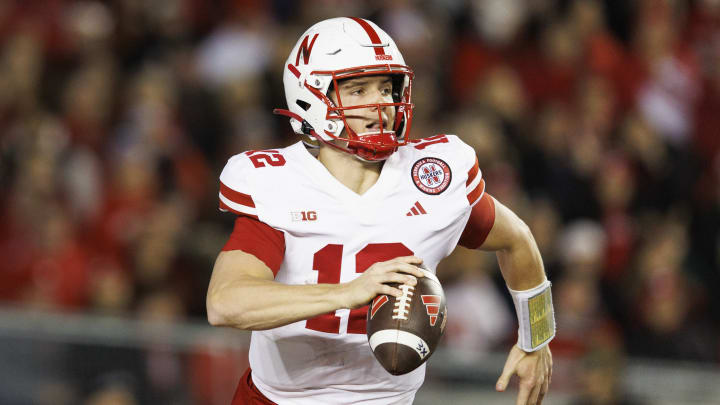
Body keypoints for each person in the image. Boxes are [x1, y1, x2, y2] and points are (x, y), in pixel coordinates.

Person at [206, 17, 554, 405]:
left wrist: (536, 338)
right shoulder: (281, 183)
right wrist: (347, 293)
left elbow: (517, 239)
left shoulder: (429, 179)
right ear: (310, 98)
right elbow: (225, 302)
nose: (382, 105)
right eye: (358, 90)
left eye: (386, 88)